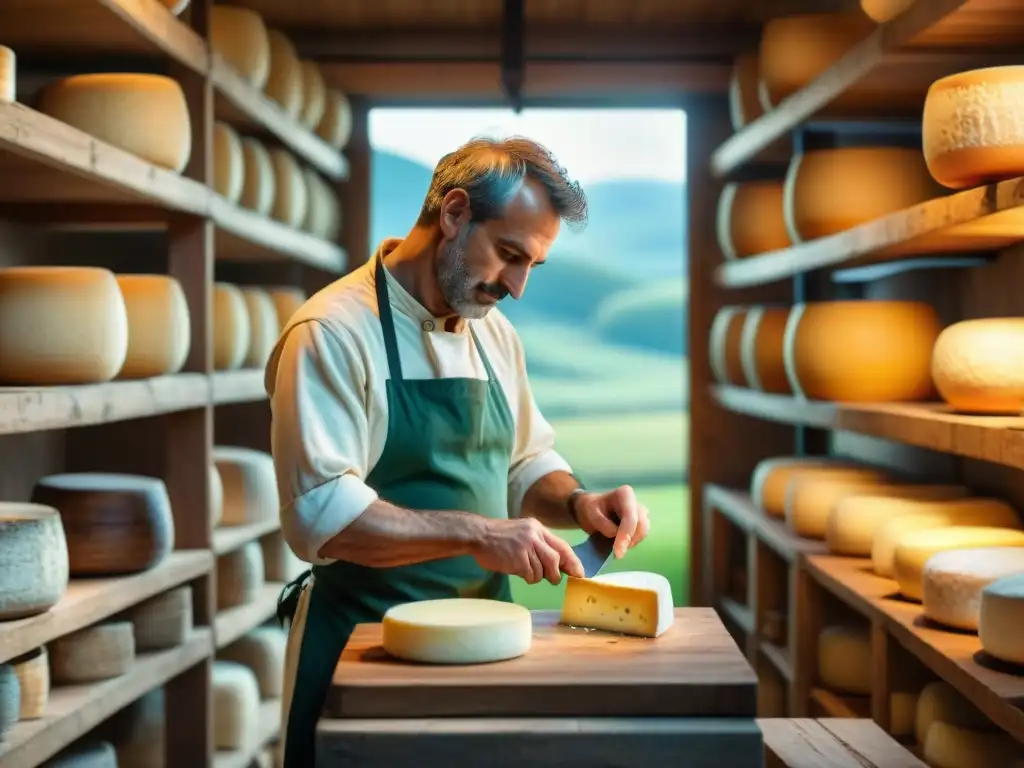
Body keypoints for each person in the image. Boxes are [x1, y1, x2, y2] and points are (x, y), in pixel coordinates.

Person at [265, 136, 651, 766]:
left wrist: (581, 503)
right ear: (453, 213)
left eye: (533, 266)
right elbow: (321, 519)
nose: (518, 288)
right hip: (362, 652)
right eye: (509, 255)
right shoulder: (331, 332)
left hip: (485, 646)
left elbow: (526, 464)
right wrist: (477, 534)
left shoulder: (493, 334)